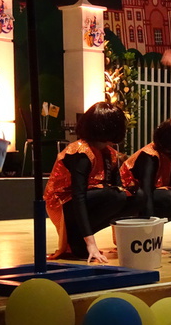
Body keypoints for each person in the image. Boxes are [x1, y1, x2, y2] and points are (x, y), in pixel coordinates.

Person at [43, 101, 133, 263]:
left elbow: (119, 187)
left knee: (133, 197)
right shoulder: (80, 152)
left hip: (90, 196)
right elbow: (78, 195)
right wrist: (91, 243)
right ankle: (77, 236)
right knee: (116, 196)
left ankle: (79, 238)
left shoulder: (109, 153)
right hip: (64, 202)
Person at [121, 117, 171, 218]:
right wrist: (150, 220)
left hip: (155, 194)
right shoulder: (150, 155)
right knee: (170, 198)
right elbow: (146, 190)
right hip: (134, 196)